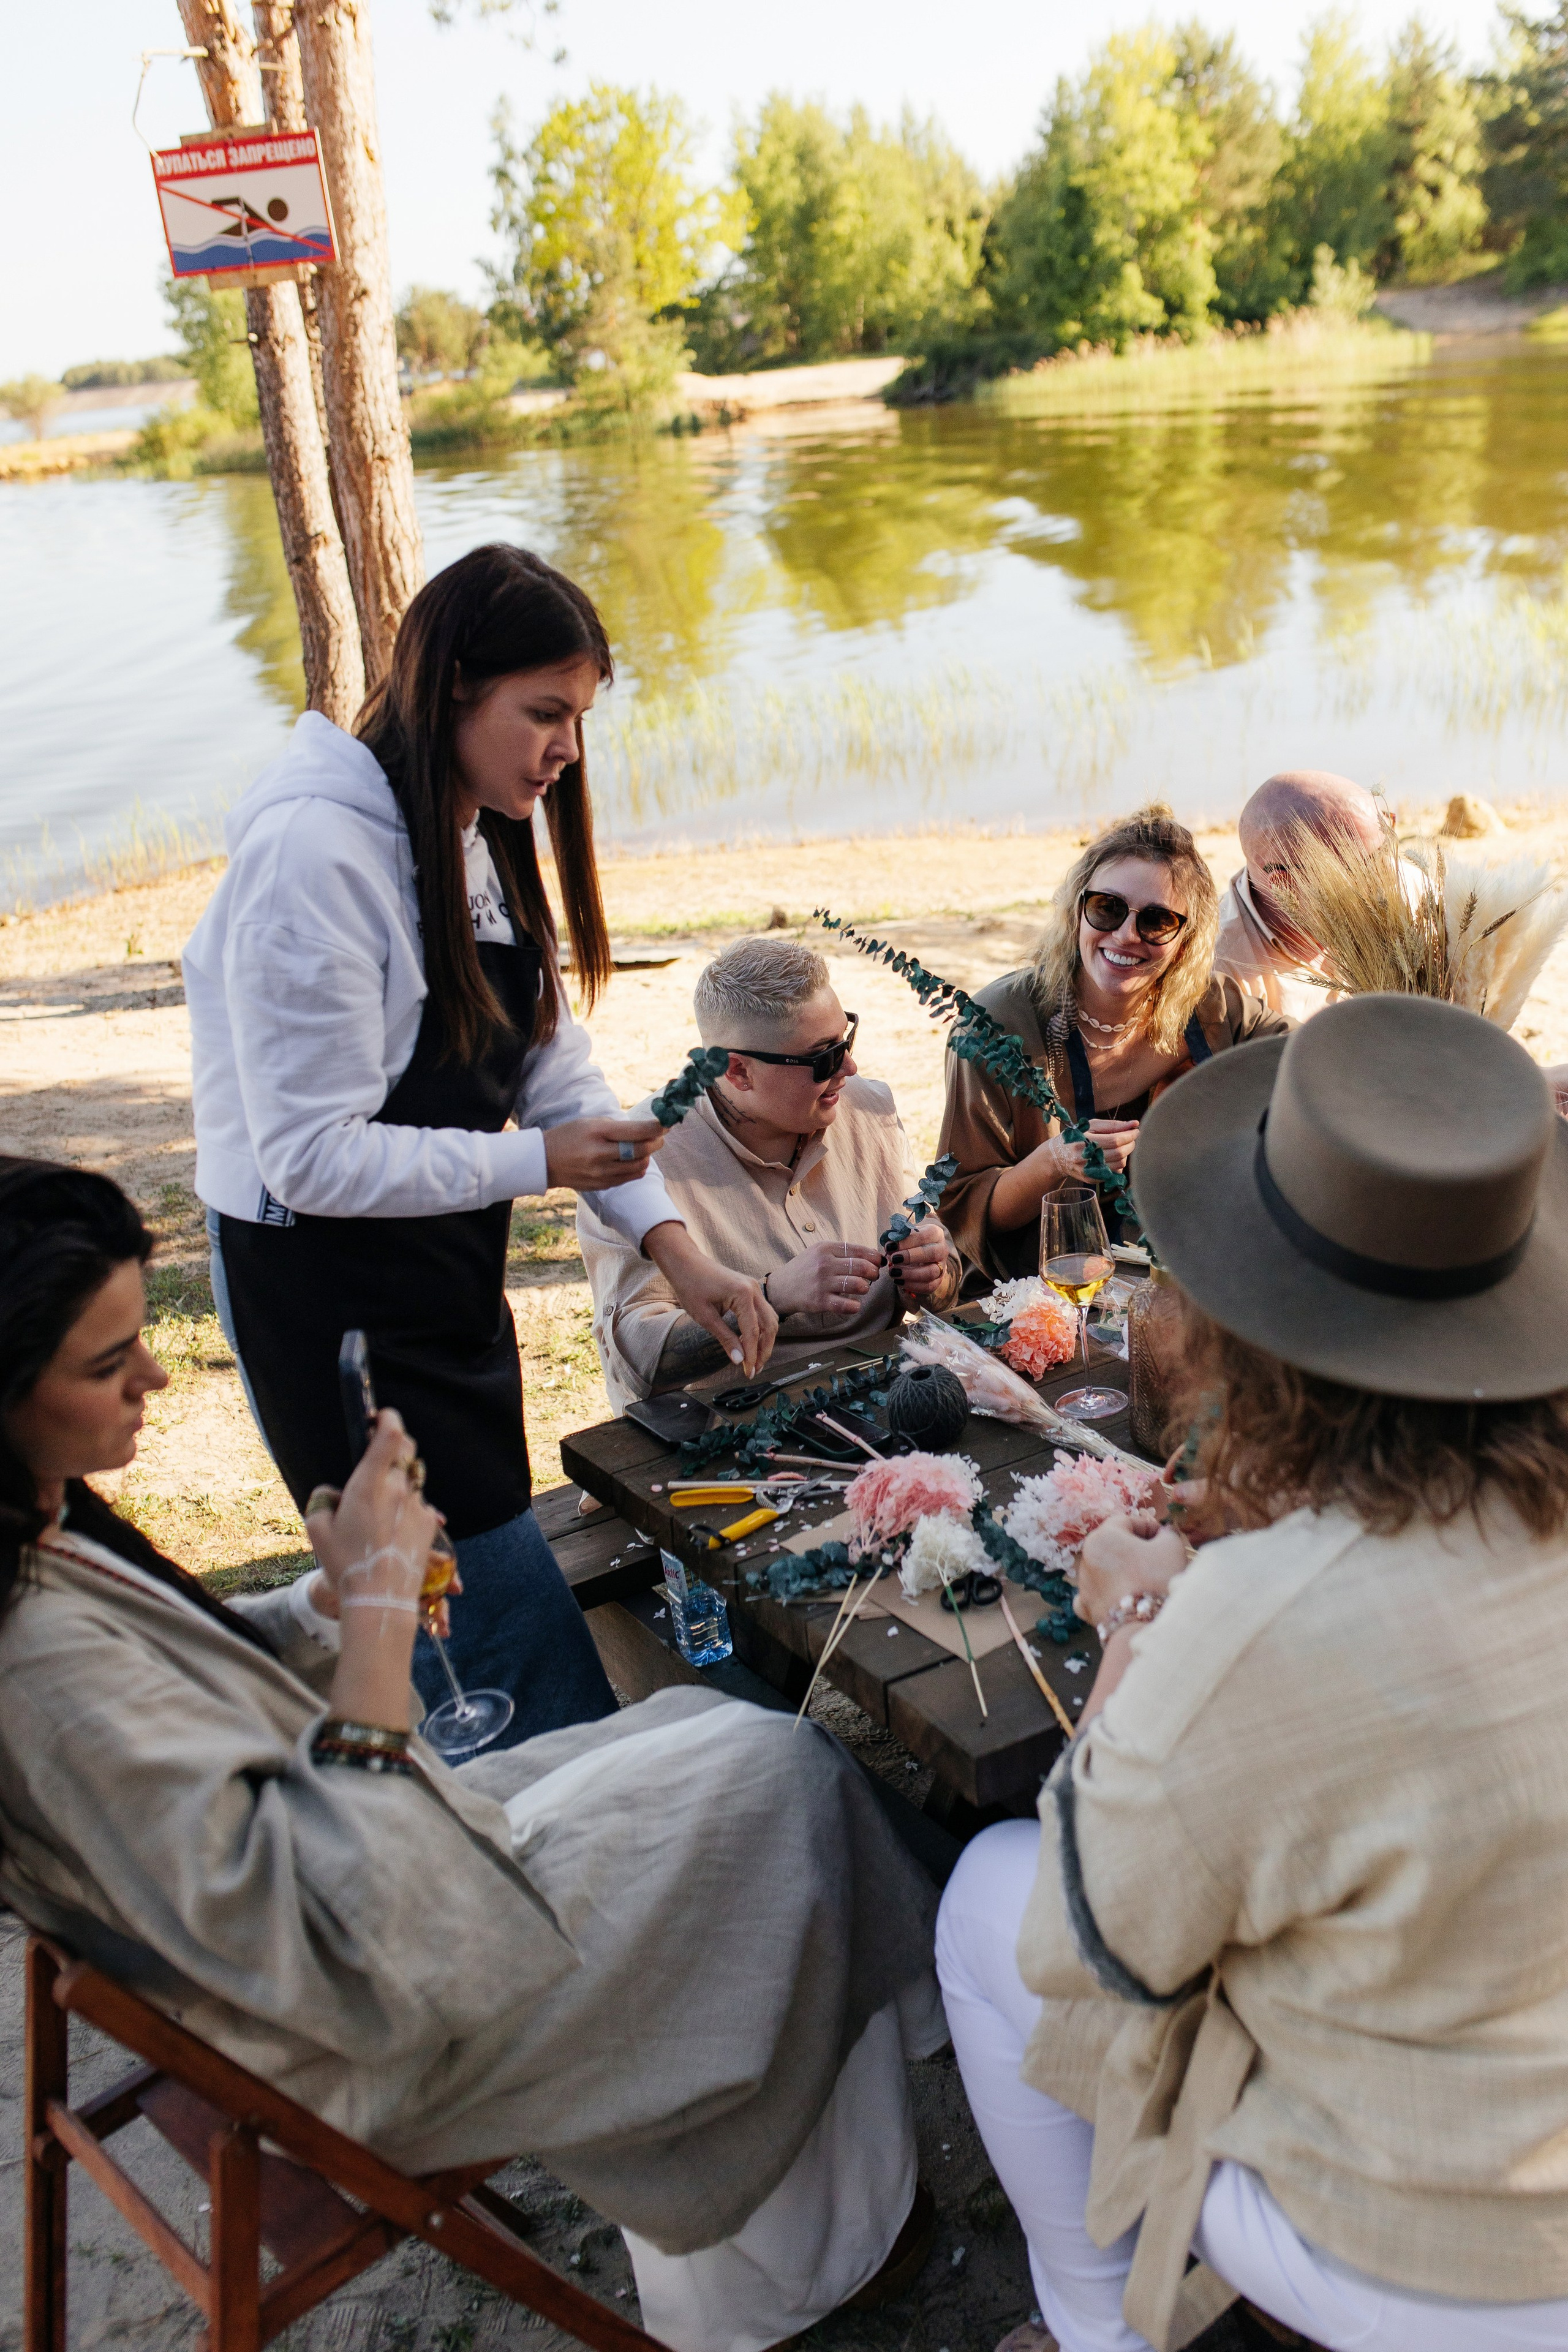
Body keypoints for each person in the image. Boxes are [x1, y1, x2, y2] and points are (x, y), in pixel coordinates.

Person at [0, 1155, 944, 2352]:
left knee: (715, 1731)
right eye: (104, 1364)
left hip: (353, 1889)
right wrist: (378, 1618)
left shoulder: (35, 1528)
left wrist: (325, 1603)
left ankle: (829, 2199)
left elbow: (184, 1688)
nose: (154, 1375)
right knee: (783, 1788)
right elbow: (330, 1932)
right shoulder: (39, 1672)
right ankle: (803, 2259)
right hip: (368, 2012)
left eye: (139, 1337)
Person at [934, 992, 1568, 2352]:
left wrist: (1134, 1623)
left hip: (1443, 2256)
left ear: (1247, 1328)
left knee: (986, 1897)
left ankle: (1097, 2328)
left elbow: (1084, 1946)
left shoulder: (1252, 1620)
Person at [184, 545, 775, 1747]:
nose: (567, 750)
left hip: (440, 1273)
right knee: (469, 1626)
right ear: (454, 686)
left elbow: (549, 1065)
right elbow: (308, 1157)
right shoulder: (315, 855)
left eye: (580, 718)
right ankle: (521, 1804)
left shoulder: (476, 824)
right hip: (327, 1301)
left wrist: (678, 1248)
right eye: (544, 713)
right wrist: (536, 1163)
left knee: (486, 1552)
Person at [578, 937, 961, 1410]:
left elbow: (944, 1281)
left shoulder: (869, 1107)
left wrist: (932, 1274)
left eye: (846, 1039)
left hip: (888, 1394)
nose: (849, 1066)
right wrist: (771, 1296)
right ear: (738, 1071)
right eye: (823, 1057)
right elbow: (640, 1362)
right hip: (732, 1422)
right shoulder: (639, 1160)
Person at [938, 807, 1288, 1284]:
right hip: (1043, 1290)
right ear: (1076, 911)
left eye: (1157, 921)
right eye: (1107, 907)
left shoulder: (1212, 1007)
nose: (1126, 935)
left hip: (1185, 1276)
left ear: (1186, 940)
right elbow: (967, 1213)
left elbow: (1312, 1056)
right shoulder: (994, 1027)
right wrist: (1055, 1160)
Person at [1212, 767, 1389, 1022]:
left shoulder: (1411, 897)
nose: (1386, 871)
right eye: (1364, 863)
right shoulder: (1222, 973)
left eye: (1385, 848)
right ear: (1285, 886)